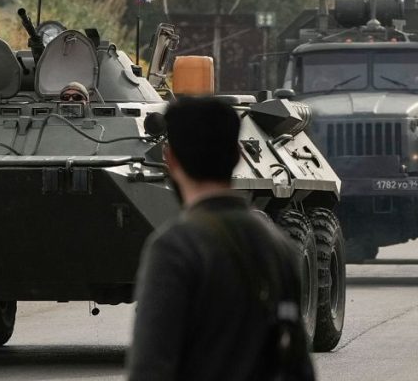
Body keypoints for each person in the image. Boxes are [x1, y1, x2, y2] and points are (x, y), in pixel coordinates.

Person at [126, 97, 315, 381]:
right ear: (239, 155)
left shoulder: (175, 247)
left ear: (169, 158)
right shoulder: (279, 248)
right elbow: (297, 366)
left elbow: (150, 367)